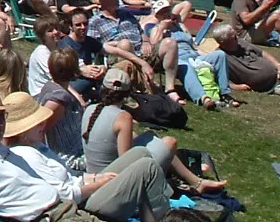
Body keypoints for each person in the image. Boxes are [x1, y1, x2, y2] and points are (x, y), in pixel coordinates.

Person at [0, 83, 170, 222]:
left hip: (66, 209)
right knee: (147, 167)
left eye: (1, 116)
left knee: (141, 155)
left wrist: (92, 179)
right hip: (57, 215)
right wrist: (97, 183)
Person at [80, 69, 225, 195]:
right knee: (169, 143)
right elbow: (126, 161)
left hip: (93, 174)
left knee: (148, 137)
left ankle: (195, 180)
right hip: (113, 179)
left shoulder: (90, 109)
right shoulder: (123, 117)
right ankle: (195, 181)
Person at [89, 0, 180, 101]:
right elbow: (92, 46)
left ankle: (170, 89)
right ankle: (146, 88)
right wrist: (116, 44)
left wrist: (146, 41)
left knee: (170, 43)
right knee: (125, 44)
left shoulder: (126, 14)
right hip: (120, 57)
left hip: (142, 50)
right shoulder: (95, 21)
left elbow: (141, 31)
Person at [60, 8, 108, 100]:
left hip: (89, 78)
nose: (83, 27)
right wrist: (82, 70)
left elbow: (109, 49)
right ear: (70, 26)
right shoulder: (65, 45)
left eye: (85, 24)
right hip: (70, 83)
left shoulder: (88, 40)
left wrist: (103, 68)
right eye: (78, 25)